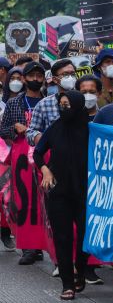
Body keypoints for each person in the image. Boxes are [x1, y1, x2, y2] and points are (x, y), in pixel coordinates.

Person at [34, 91, 89, 300]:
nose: (64, 109)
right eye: (61, 105)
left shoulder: (91, 129)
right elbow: (38, 152)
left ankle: (80, 271)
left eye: (68, 105)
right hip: (59, 191)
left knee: (85, 235)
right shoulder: (55, 128)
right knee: (62, 237)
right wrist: (45, 170)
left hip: (85, 191)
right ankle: (67, 283)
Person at [0, 61, 45, 264]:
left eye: (39, 75)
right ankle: (28, 247)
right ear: (25, 78)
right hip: (20, 156)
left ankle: (43, 244)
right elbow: (2, 129)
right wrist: (15, 129)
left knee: (44, 200)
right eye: (31, 76)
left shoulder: (49, 101)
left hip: (44, 155)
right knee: (24, 200)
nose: (35, 79)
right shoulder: (13, 103)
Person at [26, 59, 76, 146]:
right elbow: (30, 132)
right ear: (55, 79)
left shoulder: (84, 101)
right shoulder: (44, 104)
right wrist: (41, 138)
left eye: (72, 74)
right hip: (54, 155)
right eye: (65, 74)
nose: (70, 77)